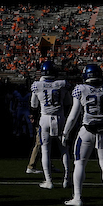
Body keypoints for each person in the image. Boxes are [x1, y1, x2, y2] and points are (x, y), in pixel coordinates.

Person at [62, 64, 103, 206]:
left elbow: (73, 116)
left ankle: (77, 197)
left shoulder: (81, 89)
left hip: (86, 132)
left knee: (80, 163)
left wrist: (65, 132)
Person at [31, 61, 69, 190]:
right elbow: (68, 102)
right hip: (60, 118)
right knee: (64, 149)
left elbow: (34, 105)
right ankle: (67, 179)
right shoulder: (62, 84)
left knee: (45, 150)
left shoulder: (37, 85)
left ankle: (49, 181)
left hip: (45, 119)